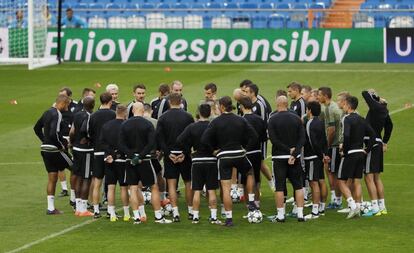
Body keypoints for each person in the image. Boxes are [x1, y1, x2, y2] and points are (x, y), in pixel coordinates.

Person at [201, 96, 258, 227]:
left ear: (221, 106)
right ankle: (250, 200)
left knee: (226, 189)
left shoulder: (216, 122)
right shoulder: (240, 119)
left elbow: (204, 140)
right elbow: (254, 136)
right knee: (249, 172)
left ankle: (229, 219)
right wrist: (246, 149)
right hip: (239, 153)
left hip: (224, 156)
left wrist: (213, 151)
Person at [119, 102, 172, 224]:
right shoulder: (147, 124)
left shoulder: (125, 124)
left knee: (133, 188)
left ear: (132, 110)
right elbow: (151, 143)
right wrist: (141, 156)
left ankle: (136, 216)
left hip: (130, 160)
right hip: (146, 160)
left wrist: (133, 156)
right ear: (143, 111)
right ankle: (158, 216)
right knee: (153, 187)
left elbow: (121, 144)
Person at [176, 104, 221, 224]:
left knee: (196, 190)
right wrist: (215, 149)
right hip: (211, 160)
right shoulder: (213, 126)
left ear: (199, 112)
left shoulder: (192, 127)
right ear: (210, 113)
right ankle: (213, 216)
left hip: (196, 161)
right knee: (211, 190)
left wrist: (188, 151)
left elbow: (180, 140)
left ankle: (195, 216)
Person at [156, 93, 194, 222]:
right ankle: (190, 211)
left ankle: (175, 212)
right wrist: (184, 152)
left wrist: (168, 153)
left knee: (171, 184)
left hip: (170, 155)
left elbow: (160, 139)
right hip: (185, 155)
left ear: (169, 102)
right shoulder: (188, 117)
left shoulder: (163, 118)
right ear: (181, 102)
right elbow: (191, 137)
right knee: (188, 183)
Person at [268, 96, 306, 222]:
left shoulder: (272, 119)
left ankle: (280, 215)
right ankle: (300, 214)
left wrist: (286, 150)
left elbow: (274, 140)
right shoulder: (296, 118)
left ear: (277, 104)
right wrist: (294, 153)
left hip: (279, 157)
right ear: (287, 104)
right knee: (298, 185)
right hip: (294, 158)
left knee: (279, 186)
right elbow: (302, 139)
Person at [337, 96, 376, 219]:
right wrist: (367, 150)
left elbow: (347, 136)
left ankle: (352, 205)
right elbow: (373, 135)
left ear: (348, 106)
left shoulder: (346, 119)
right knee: (357, 181)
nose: (343, 106)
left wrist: (345, 150)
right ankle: (358, 208)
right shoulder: (362, 119)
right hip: (360, 153)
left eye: (344, 104)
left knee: (341, 181)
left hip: (351, 153)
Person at [34, 94, 72, 215]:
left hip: (44, 149)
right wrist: (61, 145)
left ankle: (50, 208)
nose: (68, 107)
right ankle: (76, 201)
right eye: (67, 104)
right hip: (54, 150)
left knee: (52, 177)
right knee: (76, 168)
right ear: (63, 103)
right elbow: (53, 133)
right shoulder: (57, 114)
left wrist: (44, 140)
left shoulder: (47, 112)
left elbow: (36, 128)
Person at [361, 90, 393, 216]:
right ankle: (382, 207)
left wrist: (375, 96)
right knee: (376, 178)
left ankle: (374, 208)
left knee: (368, 177)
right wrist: (385, 142)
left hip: (371, 143)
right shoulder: (385, 110)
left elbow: (364, 93)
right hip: (378, 143)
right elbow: (390, 126)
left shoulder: (376, 107)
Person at [84, 92, 116, 218]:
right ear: (110, 101)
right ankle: (110, 210)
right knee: (111, 183)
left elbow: (88, 132)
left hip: (97, 151)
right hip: (110, 153)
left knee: (97, 181)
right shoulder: (113, 114)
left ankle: (96, 210)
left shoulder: (93, 116)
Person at [100, 105, 131, 222]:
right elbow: (127, 143)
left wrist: (110, 154)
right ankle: (126, 213)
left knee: (111, 187)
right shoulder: (126, 125)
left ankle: (112, 213)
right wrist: (117, 153)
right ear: (124, 113)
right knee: (124, 187)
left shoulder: (106, 126)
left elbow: (102, 142)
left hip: (109, 160)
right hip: (122, 160)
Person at [244, 83, 274, 191]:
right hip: (251, 139)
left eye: (246, 92)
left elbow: (263, 122)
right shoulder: (248, 104)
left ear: (252, 93)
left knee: (259, 163)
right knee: (253, 164)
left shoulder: (259, 105)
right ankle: (255, 189)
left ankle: (271, 181)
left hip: (260, 140)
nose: (245, 93)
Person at [239, 97, 267, 209]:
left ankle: (249, 205)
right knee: (256, 178)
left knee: (246, 179)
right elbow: (264, 137)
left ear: (241, 107)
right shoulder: (259, 119)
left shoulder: (241, 120)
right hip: (257, 151)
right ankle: (257, 203)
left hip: (246, 152)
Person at [318, 87, 344, 209]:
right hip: (337, 144)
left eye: (319, 95)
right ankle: (337, 199)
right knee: (333, 172)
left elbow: (331, 130)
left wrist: (326, 147)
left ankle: (337, 201)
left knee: (332, 173)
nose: (318, 97)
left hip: (334, 145)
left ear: (325, 96)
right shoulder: (332, 106)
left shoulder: (330, 108)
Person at [69, 96, 95, 217]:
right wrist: (88, 138)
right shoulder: (90, 116)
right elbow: (86, 130)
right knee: (86, 178)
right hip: (86, 150)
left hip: (76, 149)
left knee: (78, 177)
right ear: (93, 105)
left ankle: (78, 207)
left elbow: (72, 132)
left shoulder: (77, 114)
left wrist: (73, 143)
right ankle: (83, 208)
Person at [303, 101, 329, 220]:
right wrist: (325, 154)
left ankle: (315, 212)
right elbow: (324, 140)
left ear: (309, 110)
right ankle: (322, 208)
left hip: (312, 157)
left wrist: (320, 155)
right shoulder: (320, 122)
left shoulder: (310, 123)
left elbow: (313, 142)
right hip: (319, 157)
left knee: (313, 183)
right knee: (321, 181)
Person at [143, 103, 169, 207]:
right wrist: (160, 151)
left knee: (138, 179)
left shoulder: (136, 122)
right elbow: (161, 138)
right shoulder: (156, 122)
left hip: (139, 155)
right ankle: (162, 198)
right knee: (158, 176)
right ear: (152, 111)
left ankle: (139, 200)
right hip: (153, 155)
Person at [56, 87, 77, 199]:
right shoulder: (55, 107)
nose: (61, 98)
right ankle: (65, 189)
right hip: (61, 140)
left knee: (74, 164)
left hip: (71, 139)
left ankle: (74, 192)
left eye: (63, 95)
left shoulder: (76, 106)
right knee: (61, 166)